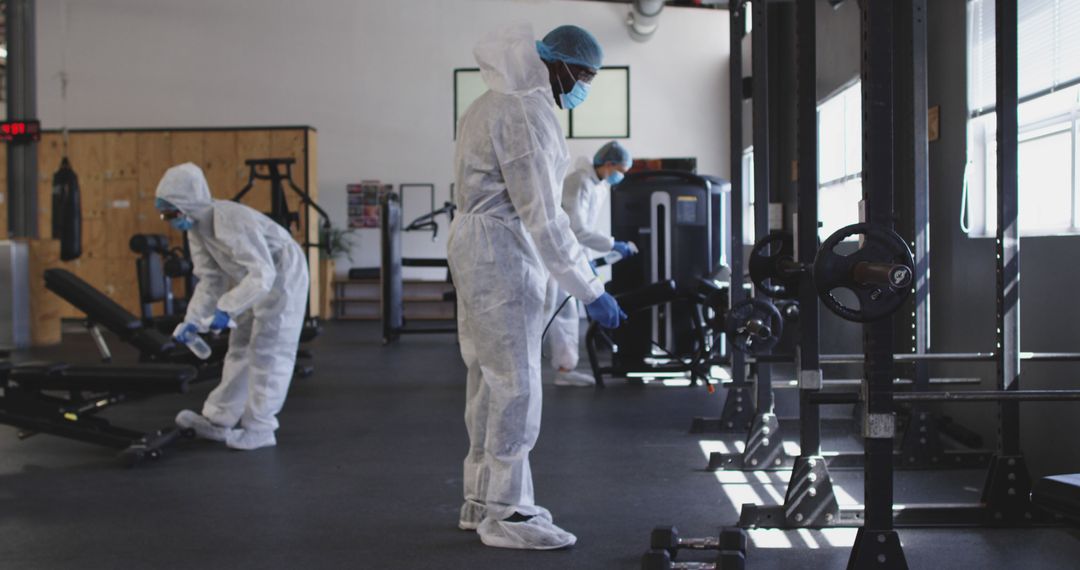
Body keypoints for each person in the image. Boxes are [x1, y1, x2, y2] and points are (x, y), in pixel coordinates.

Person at [448, 24, 627, 550]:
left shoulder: (488, 102)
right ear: (562, 65)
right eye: (586, 76)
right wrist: (592, 290)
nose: (584, 87)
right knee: (516, 382)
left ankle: (480, 498)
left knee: (485, 377)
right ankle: (508, 512)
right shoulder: (526, 111)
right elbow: (546, 220)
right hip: (500, 252)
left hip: (476, 245)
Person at [154, 162, 309, 451]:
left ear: (187, 203)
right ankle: (219, 418)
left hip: (283, 274)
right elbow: (210, 279)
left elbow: (264, 273)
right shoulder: (196, 228)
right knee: (239, 347)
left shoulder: (230, 219)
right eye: (164, 214)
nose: (168, 220)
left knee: (269, 349)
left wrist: (228, 309)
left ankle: (261, 428)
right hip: (252, 280)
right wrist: (194, 319)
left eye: (170, 213)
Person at [545, 141, 636, 387]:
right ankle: (546, 369)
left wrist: (586, 263)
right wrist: (612, 244)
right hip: (555, 256)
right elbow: (576, 230)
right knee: (552, 312)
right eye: (620, 170)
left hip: (570, 255)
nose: (620, 177)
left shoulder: (598, 186)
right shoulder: (579, 182)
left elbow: (581, 232)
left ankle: (564, 369)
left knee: (564, 311)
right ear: (608, 164)